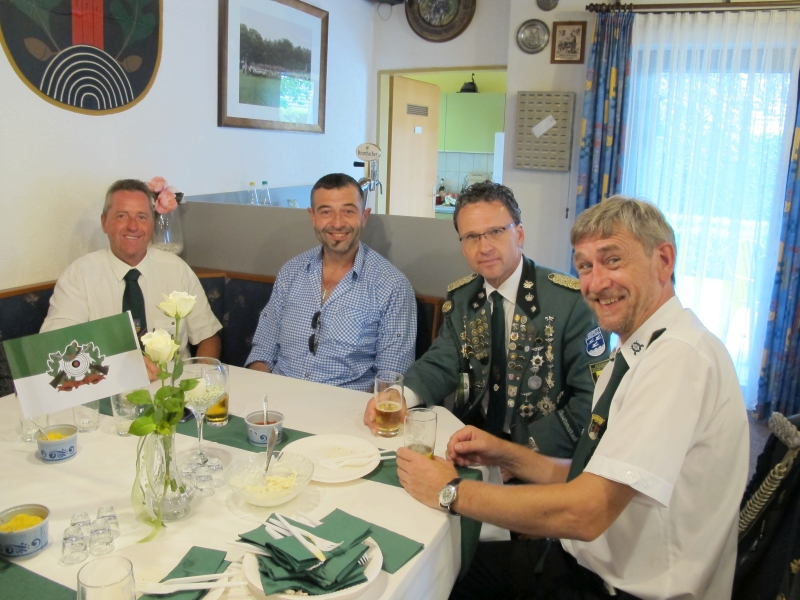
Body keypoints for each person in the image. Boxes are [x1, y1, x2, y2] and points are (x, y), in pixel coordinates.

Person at [395, 196, 749, 600]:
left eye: (612, 260)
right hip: (584, 559)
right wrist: (504, 453)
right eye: (585, 266)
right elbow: (589, 473)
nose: (595, 284)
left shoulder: (678, 360)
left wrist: (452, 491)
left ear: (663, 261)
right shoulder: (640, 349)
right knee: (444, 569)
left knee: (432, 579)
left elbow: (587, 511)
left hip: (621, 586)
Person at [364, 182, 607, 458]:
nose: (484, 247)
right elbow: (440, 363)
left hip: (540, 454)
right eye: (471, 237)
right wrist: (400, 395)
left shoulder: (571, 302)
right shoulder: (462, 298)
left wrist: (516, 456)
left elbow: (591, 399)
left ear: (520, 234)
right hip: (470, 443)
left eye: (495, 232)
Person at [246, 173, 416, 392]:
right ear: (312, 217)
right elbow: (264, 349)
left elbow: (391, 378)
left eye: (348, 211)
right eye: (326, 212)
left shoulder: (392, 286)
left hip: (346, 407)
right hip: (277, 397)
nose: (337, 223)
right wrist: (258, 393)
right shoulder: (291, 272)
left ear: (364, 216)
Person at [41, 179, 222, 379]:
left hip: (172, 389)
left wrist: (199, 380)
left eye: (142, 217)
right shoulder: (79, 276)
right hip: (106, 388)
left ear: (152, 224)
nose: (133, 226)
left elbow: (208, 338)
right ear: (104, 222)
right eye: (122, 216)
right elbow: (55, 346)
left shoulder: (177, 270)